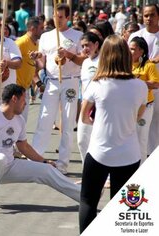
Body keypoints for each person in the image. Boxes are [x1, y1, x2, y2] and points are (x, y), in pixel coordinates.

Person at [79, 35, 148, 233]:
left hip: (100, 152)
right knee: (122, 207)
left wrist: (98, 120)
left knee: (88, 201)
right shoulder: (140, 86)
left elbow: (84, 117)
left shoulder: (97, 85)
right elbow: (137, 116)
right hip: (129, 155)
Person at [31, 4, 86, 175]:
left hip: (70, 81)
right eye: (55, 16)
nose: (58, 20)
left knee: (68, 122)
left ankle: (63, 163)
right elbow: (42, 61)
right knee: (44, 118)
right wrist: (37, 58)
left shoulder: (77, 36)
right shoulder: (46, 36)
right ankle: (36, 157)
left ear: (68, 18)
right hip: (52, 82)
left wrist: (69, 55)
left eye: (61, 17)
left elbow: (83, 60)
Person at [128, 4, 159, 156]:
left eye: (152, 15)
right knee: (142, 128)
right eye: (146, 15)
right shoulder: (137, 36)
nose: (149, 18)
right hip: (142, 89)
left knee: (156, 126)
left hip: (155, 84)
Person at [77, 32, 102, 163]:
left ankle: (106, 176)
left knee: (98, 142)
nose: (85, 49)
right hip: (85, 105)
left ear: (96, 44)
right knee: (82, 141)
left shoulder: (104, 61)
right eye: (82, 46)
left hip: (99, 108)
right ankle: (87, 171)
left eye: (88, 45)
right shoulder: (85, 62)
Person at [15, 16, 44, 121]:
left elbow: (34, 66)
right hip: (16, 88)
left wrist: (38, 83)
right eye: (41, 28)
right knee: (17, 121)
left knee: (22, 121)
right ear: (33, 28)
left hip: (25, 88)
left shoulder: (36, 43)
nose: (43, 30)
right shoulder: (21, 43)